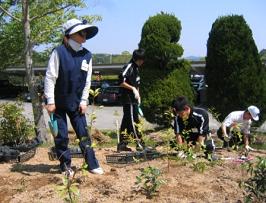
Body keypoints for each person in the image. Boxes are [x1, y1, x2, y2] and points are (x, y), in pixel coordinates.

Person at [44, 18, 103, 176]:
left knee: (83, 133)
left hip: (77, 103)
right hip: (58, 102)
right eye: (81, 32)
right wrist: (50, 101)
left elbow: (87, 81)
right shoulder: (59, 52)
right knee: (61, 136)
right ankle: (65, 165)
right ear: (70, 35)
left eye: (85, 32)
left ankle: (92, 163)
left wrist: (84, 100)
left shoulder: (87, 55)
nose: (84, 35)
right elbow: (50, 77)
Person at [117, 48, 145, 152]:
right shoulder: (129, 67)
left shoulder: (137, 69)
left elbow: (137, 84)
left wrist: (138, 95)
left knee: (126, 121)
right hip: (128, 99)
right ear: (137, 59)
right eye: (141, 60)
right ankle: (139, 143)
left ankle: (122, 144)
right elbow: (121, 81)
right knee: (134, 121)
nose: (142, 62)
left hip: (133, 99)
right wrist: (132, 89)